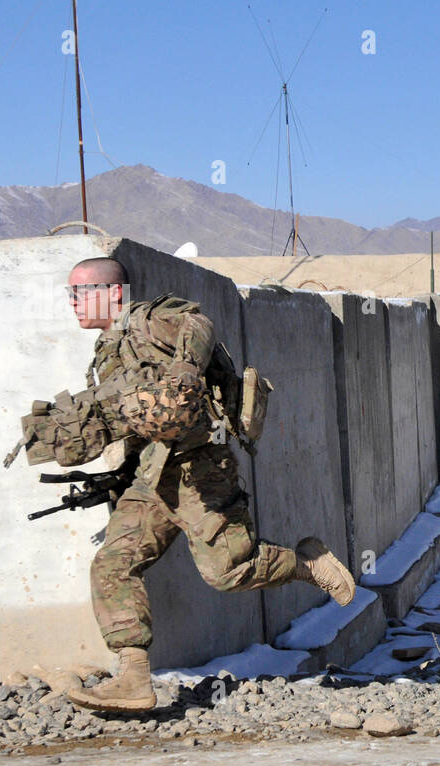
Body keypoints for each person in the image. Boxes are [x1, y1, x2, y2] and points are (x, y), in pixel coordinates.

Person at [59, 257, 355, 711]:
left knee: (227, 571)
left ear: (113, 293)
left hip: (200, 468)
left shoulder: (148, 321)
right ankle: (134, 677)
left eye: (80, 292)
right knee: (113, 564)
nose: (73, 302)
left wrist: (186, 371)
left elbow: (198, 322)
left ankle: (305, 562)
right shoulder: (109, 348)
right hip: (152, 477)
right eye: (71, 293)